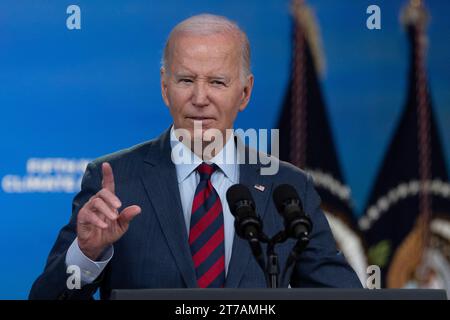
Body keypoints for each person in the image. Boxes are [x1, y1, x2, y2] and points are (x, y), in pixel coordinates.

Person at [29, 14, 362, 300]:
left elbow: (341, 293)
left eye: (217, 82)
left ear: (244, 92)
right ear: (164, 87)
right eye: (186, 80)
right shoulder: (117, 180)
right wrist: (86, 253)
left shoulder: (287, 186)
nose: (199, 98)